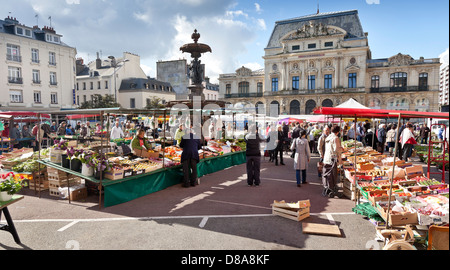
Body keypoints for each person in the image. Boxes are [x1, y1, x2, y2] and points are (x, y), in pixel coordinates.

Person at [322, 125, 343, 198]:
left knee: (326, 173)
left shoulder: (328, 137)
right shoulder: (335, 138)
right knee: (332, 174)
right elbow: (336, 149)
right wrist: (342, 149)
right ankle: (331, 188)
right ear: (338, 132)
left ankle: (327, 187)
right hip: (332, 158)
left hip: (326, 157)